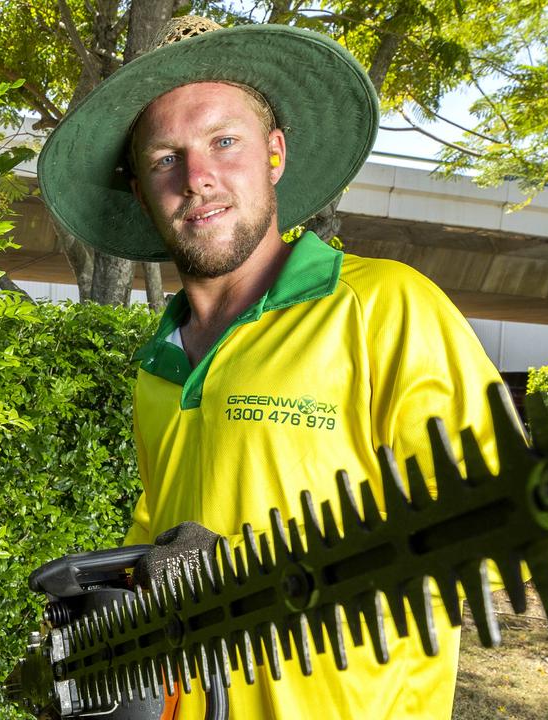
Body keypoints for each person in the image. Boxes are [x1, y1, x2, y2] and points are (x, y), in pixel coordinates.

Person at [37, 15, 505, 720]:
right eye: (166, 158)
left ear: (275, 153)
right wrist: (100, 648)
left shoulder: (385, 306)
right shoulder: (158, 365)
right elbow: (161, 543)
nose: (198, 178)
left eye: (225, 142)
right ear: (141, 190)